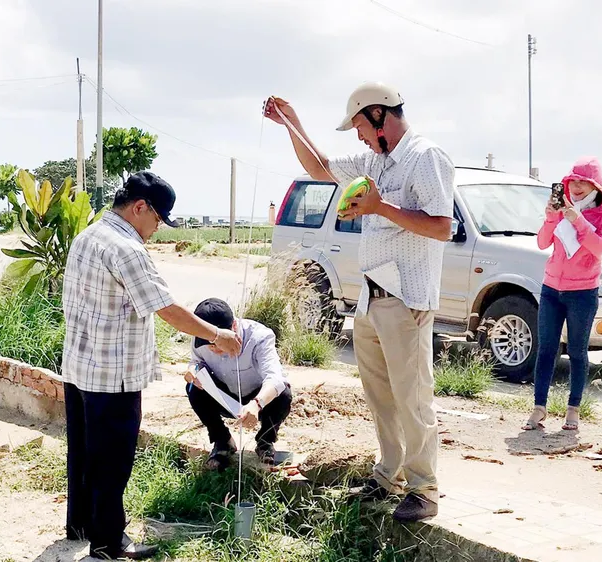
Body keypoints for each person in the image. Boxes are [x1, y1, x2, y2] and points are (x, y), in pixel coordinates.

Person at [264, 82, 454, 522]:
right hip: (372, 296)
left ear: (378, 115)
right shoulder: (374, 161)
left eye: (360, 127)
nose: (359, 137)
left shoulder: (425, 157)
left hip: (406, 298)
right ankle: (389, 475)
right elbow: (320, 167)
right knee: (381, 397)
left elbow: (442, 227)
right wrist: (291, 123)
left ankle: (424, 489)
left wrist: (380, 207)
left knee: (413, 397)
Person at [61, 171, 243, 560]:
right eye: (158, 219)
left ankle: (80, 524)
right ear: (140, 208)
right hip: (113, 376)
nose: (157, 229)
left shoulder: (87, 236)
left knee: (83, 453)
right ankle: (107, 543)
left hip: (78, 369)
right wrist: (217, 335)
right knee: (112, 462)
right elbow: (168, 309)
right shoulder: (127, 248)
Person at [523, 157, 602, 432]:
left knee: (577, 351)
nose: (576, 187)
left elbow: (599, 247)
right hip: (551, 289)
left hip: (583, 292)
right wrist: (551, 217)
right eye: (572, 181)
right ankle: (539, 408)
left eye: (583, 182)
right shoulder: (561, 208)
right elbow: (543, 242)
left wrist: (578, 221)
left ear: (596, 186)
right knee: (546, 349)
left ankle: (573, 410)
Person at [181, 297, 292, 469]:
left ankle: (265, 441)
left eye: (215, 342)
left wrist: (257, 404)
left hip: (258, 397)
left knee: (283, 394)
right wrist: (192, 370)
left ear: (233, 327)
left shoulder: (259, 337)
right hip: (224, 396)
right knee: (193, 389)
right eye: (206, 342)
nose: (211, 348)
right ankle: (223, 441)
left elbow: (276, 378)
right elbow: (197, 361)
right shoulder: (200, 338)